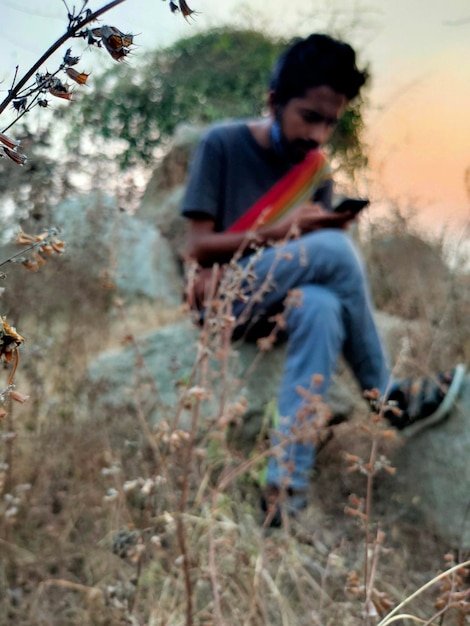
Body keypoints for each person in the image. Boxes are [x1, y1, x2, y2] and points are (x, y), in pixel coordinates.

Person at [180, 33, 466, 522]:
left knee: (322, 306)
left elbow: (311, 265)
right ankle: (385, 395)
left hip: (284, 303)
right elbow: (197, 247)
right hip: (225, 295)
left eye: (330, 123)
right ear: (274, 102)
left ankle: (283, 495)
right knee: (333, 249)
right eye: (309, 117)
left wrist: (314, 232)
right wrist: (294, 231)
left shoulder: (316, 172)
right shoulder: (222, 144)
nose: (318, 134)